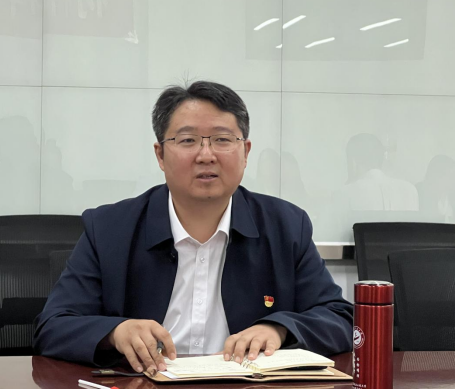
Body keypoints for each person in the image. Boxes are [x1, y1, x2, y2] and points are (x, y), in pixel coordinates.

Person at [34, 81, 353, 374]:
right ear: (160, 154)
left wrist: (279, 329)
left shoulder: (286, 226)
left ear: (245, 152)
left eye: (222, 140)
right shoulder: (109, 228)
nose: (206, 155)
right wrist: (115, 332)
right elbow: (52, 327)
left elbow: (340, 319)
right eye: (187, 140)